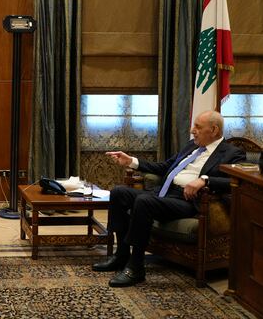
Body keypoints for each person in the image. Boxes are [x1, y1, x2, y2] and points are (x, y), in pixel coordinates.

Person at [92, 110, 245, 287]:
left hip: (187, 201)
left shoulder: (233, 153)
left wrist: (204, 180)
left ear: (214, 130)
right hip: (164, 192)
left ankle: (136, 267)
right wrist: (132, 162)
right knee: (119, 192)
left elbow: (236, 179)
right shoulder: (192, 145)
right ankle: (121, 255)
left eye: (198, 126)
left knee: (143, 202)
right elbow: (165, 167)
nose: (193, 130)